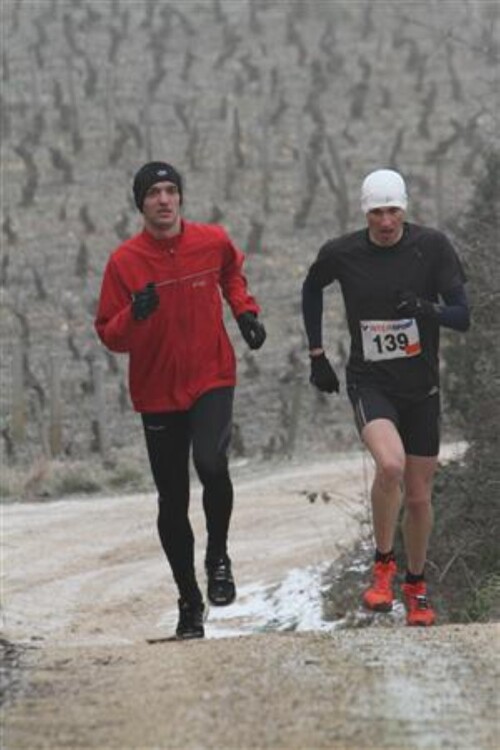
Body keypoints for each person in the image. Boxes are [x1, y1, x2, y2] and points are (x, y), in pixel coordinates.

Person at [95, 161, 266, 639]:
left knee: (212, 463)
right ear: (141, 203)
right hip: (157, 391)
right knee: (173, 499)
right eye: (154, 193)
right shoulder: (124, 262)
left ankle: (219, 559)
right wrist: (135, 314)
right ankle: (189, 603)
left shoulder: (211, 240)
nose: (164, 200)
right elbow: (109, 334)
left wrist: (245, 312)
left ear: (181, 198)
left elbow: (232, 272)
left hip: (211, 375)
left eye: (171, 191)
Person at [302, 168, 470, 626]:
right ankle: (382, 567)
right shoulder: (343, 253)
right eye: (377, 212)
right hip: (370, 383)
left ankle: (416, 585)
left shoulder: (431, 247)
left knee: (418, 498)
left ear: (404, 210)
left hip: (422, 390)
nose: (386, 220)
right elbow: (311, 286)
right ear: (365, 213)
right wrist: (317, 354)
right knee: (390, 465)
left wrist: (425, 309)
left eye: (393, 210)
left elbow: (463, 315)